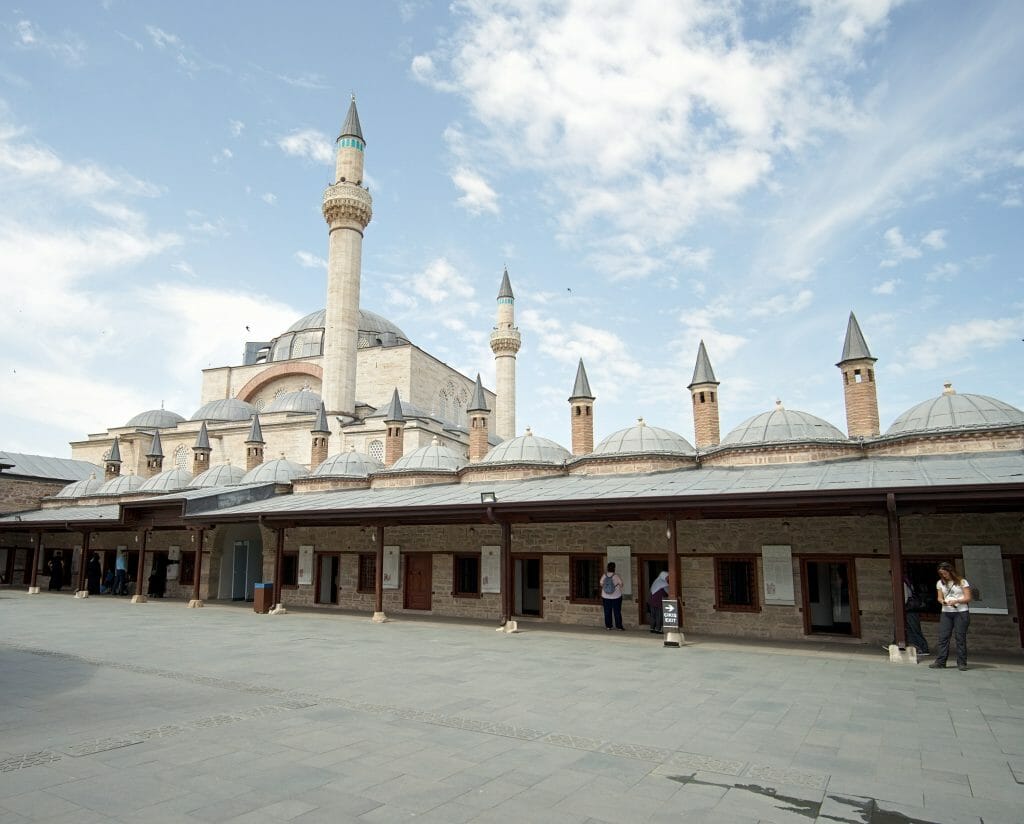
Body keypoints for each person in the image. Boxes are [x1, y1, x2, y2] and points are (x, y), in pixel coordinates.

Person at [930, 561, 971, 671]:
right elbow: (939, 597)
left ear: (950, 571)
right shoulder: (940, 583)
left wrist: (956, 601)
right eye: (941, 573)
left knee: (960, 638)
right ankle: (941, 661)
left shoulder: (962, 582)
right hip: (946, 612)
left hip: (960, 612)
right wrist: (942, 601)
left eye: (945, 573)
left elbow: (968, 597)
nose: (943, 575)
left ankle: (962, 662)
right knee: (943, 637)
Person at [902, 574, 929, 655]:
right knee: (910, 629)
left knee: (915, 629)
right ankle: (917, 647)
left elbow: (905, 597)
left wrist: (902, 607)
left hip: (909, 610)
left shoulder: (903, 583)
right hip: (910, 609)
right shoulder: (908, 582)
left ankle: (924, 648)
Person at [599, 562, 624, 631]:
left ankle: (608, 626)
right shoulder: (616, 576)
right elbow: (621, 585)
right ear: (614, 568)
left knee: (607, 611)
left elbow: (601, 584)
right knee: (617, 612)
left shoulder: (604, 576)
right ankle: (619, 626)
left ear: (607, 568)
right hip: (616, 597)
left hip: (605, 596)